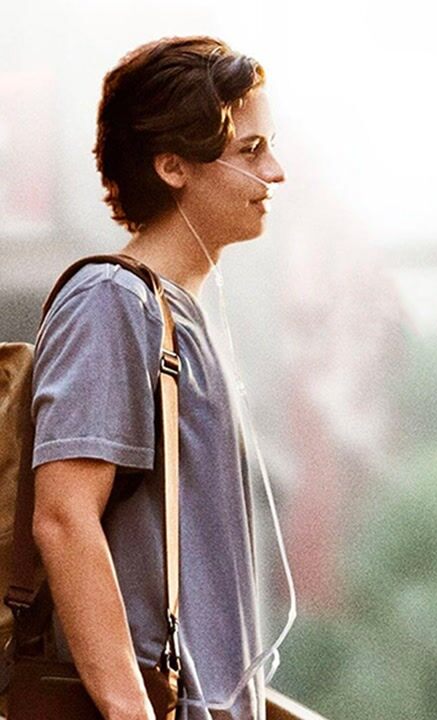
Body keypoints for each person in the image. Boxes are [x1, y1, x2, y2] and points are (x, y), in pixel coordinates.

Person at [31, 36, 285, 720]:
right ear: (173, 165)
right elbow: (64, 516)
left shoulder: (180, 316)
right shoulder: (112, 302)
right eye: (251, 151)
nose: (276, 172)